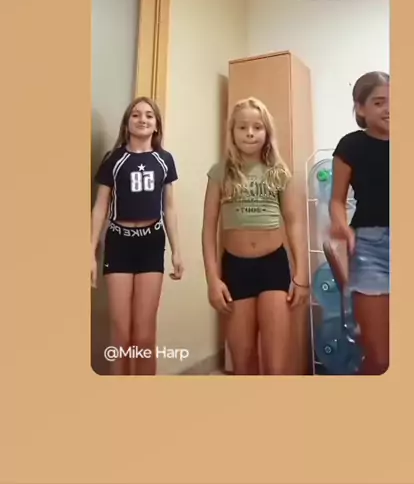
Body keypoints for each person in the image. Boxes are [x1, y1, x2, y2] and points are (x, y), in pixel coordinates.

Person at [202, 97, 309, 375]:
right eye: (242, 127)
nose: (250, 133)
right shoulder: (219, 173)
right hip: (235, 269)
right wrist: (212, 279)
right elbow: (209, 228)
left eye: (257, 127)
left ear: (267, 132)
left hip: (273, 266)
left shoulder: (278, 172)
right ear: (232, 132)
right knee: (243, 362)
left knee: (276, 364)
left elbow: (294, 223)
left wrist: (302, 274)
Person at [90, 96, 183, 375]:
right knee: (121, 333)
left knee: (144, 335)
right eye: (136, 114)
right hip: (119, 244)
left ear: (157, 125)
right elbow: (100, 207)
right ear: (127, 123)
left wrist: (177, 251)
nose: (143, 119)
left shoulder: (164, 160)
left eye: (149, 115)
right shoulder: (114, 159)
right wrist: (89, 252)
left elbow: (169, 208)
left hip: (151, 244)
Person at [329, 71, 390, 375]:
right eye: (379, 102)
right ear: (361, 108)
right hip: (371, 250)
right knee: (380, 358)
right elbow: (336, 200)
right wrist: (342, 227)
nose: (389, 109)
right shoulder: (350, 146)